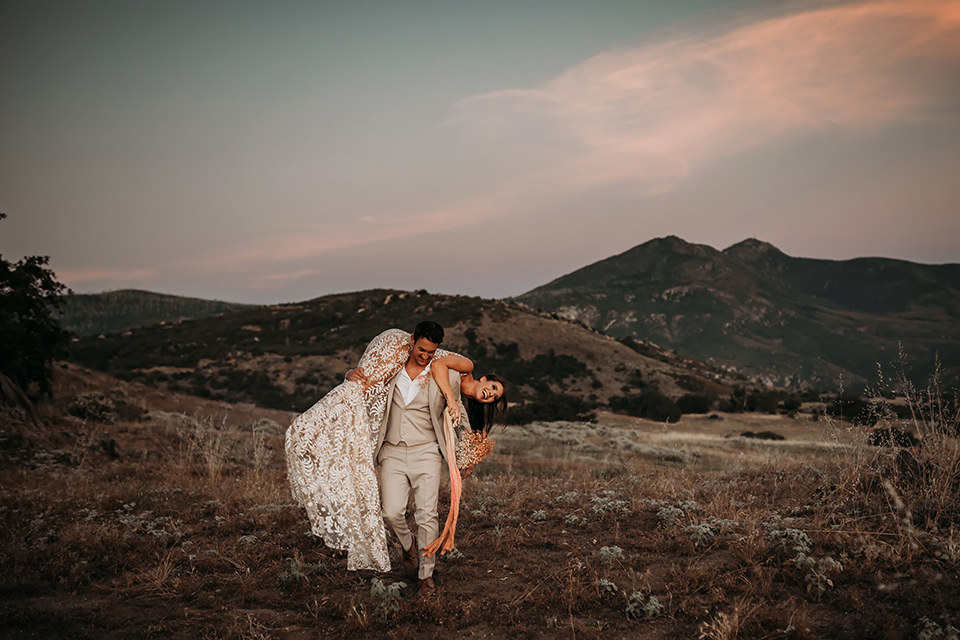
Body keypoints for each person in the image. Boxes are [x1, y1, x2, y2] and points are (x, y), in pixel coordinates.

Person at [373, 346, 506, 598]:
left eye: (494, 397)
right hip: (396, 445)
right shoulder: (466, 368)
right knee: (390, 512)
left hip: (427, 452)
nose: (490, 394)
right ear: (486, 379)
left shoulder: (463, 405)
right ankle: (408, 545)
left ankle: (426, 576)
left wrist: (468, 459)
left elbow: (460, 431)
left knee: (427, 515)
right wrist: (451, 398)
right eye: (493, 388)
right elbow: (438, 365)